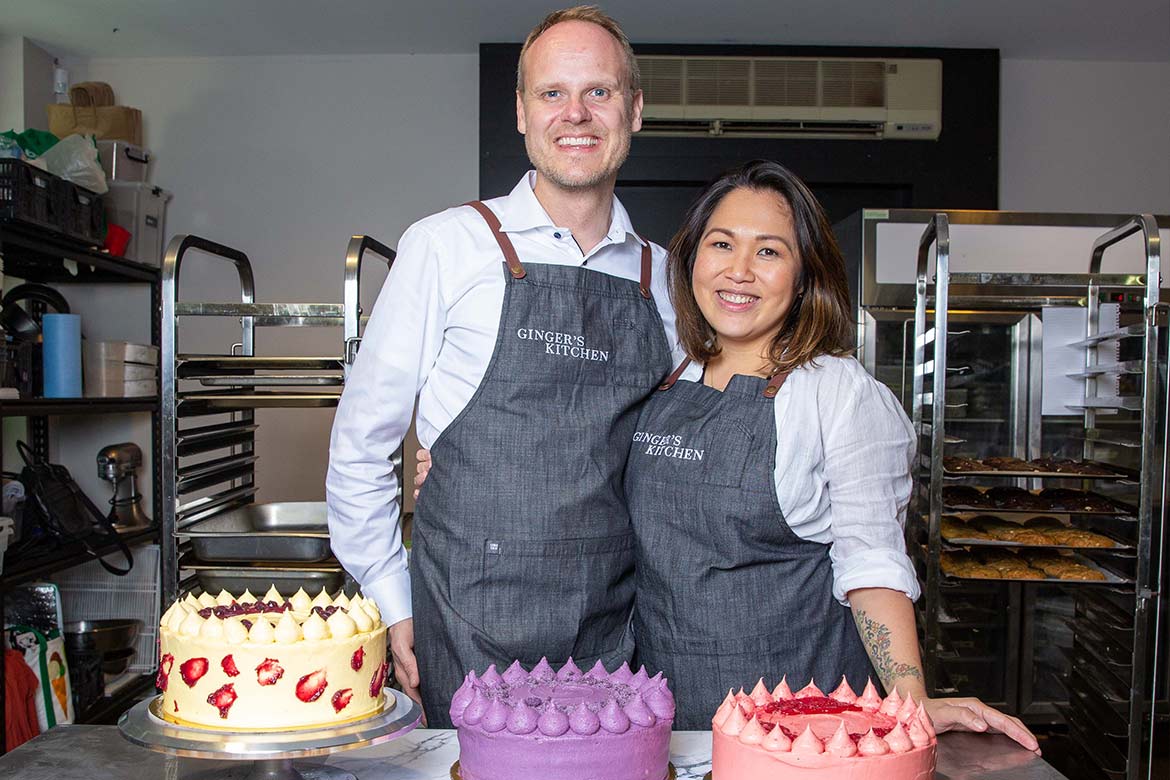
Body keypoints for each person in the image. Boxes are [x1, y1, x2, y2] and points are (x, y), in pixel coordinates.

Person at [416, 159, 1039, 751]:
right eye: (722, 244)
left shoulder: (835, 392)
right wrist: (462, 471)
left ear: (805, 275)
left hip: (799, 728)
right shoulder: (669, 370)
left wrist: (910, 697)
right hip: (661, 716)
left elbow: (871, 561)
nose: (739, 270)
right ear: (691, 259)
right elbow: (582, 454)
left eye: (769, 251)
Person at [326, 5, 677, 728]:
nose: (574, 113)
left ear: (634, 109)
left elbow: (681, 454)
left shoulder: (668, 278)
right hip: (465, 627)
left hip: (621, 634)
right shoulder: (446, 246)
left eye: (599, 92)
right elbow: (360, 444)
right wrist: (396, 602)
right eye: (552, 93)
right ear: (521, 112)